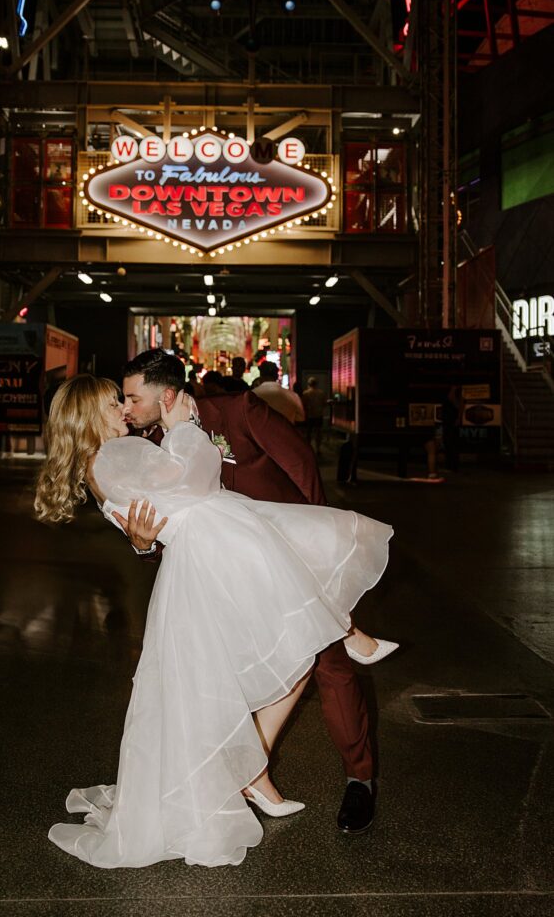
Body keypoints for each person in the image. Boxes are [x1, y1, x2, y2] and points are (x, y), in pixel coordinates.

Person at [35, 375, 394, 869]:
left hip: (211, 557)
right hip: (216, 556)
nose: (124, 408)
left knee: (290, 649)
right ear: (91, 414)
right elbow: (194, 481)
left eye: (128, 398)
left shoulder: (104, 462)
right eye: (115, 402)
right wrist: (183, 430)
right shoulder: (117, 453)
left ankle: (257, 762)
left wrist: (142, 535)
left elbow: (155, 510)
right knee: (298, 639)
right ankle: (343, 639)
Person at [121, 350, 388, 834]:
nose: (125, 408)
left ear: (166, 394)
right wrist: (143, 546)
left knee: (329, 662)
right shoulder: (153, 445)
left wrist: (316, 551)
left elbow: (301, 465)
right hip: (225, 578)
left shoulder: (239, 411)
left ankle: (359, 780)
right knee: (232, 674)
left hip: (292, 557)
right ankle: (241, 772)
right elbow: (167, 526)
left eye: (132, 397)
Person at [252, 361, 305, 425]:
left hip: (257, 434)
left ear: (260, 375)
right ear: (276, 376)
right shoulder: (293, 396)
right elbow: (300, 418)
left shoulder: (252, 395)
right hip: (285, 433)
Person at [302, 376, 327, 456]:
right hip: (319, 415)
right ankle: (318, 449)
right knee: (318, 432)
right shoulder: (321, 393)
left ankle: (308, 448)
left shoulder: (305, 393)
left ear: (309, 384)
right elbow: (324, 404)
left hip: (309, 415)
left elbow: (304, 404)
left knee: (308, 433)